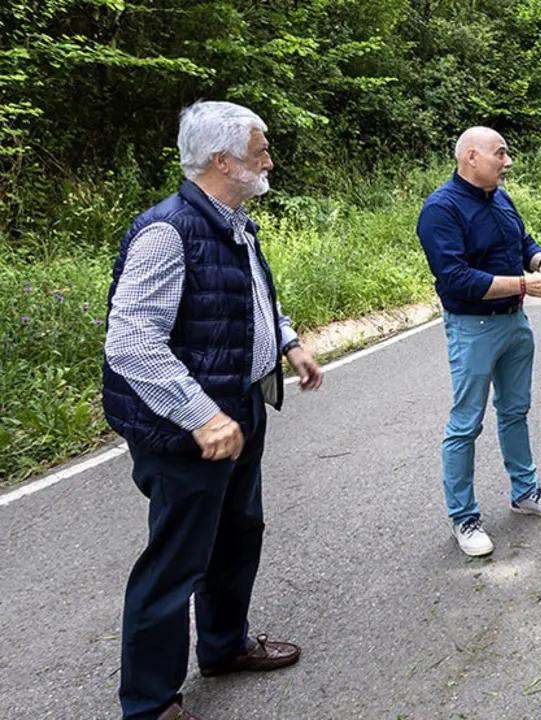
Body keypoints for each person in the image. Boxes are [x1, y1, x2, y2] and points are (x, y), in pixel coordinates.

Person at [103, 101, 324, 720]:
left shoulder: (234, 222)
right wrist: (199, 414)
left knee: (237, 535)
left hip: (239, 410)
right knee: (175, 562)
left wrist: (288, 343)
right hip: (188, 429)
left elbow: (252, 298)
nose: (268, 161)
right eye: (260, 151)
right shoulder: (167, 231)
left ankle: (224, 647)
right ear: (223, 160)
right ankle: (149, 704)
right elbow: (130, 342)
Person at [416, 126, 541, 557]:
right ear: (470, 157)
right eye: (500, 154)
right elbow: (457, 279)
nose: (508, 162)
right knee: (466, 423)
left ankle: (525, 493)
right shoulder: (440, 210)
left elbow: (523, 241)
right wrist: (525, 283)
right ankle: (464, 517)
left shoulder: (501, 198)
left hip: (515, 324)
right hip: (473, 328)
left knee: (516, 411)